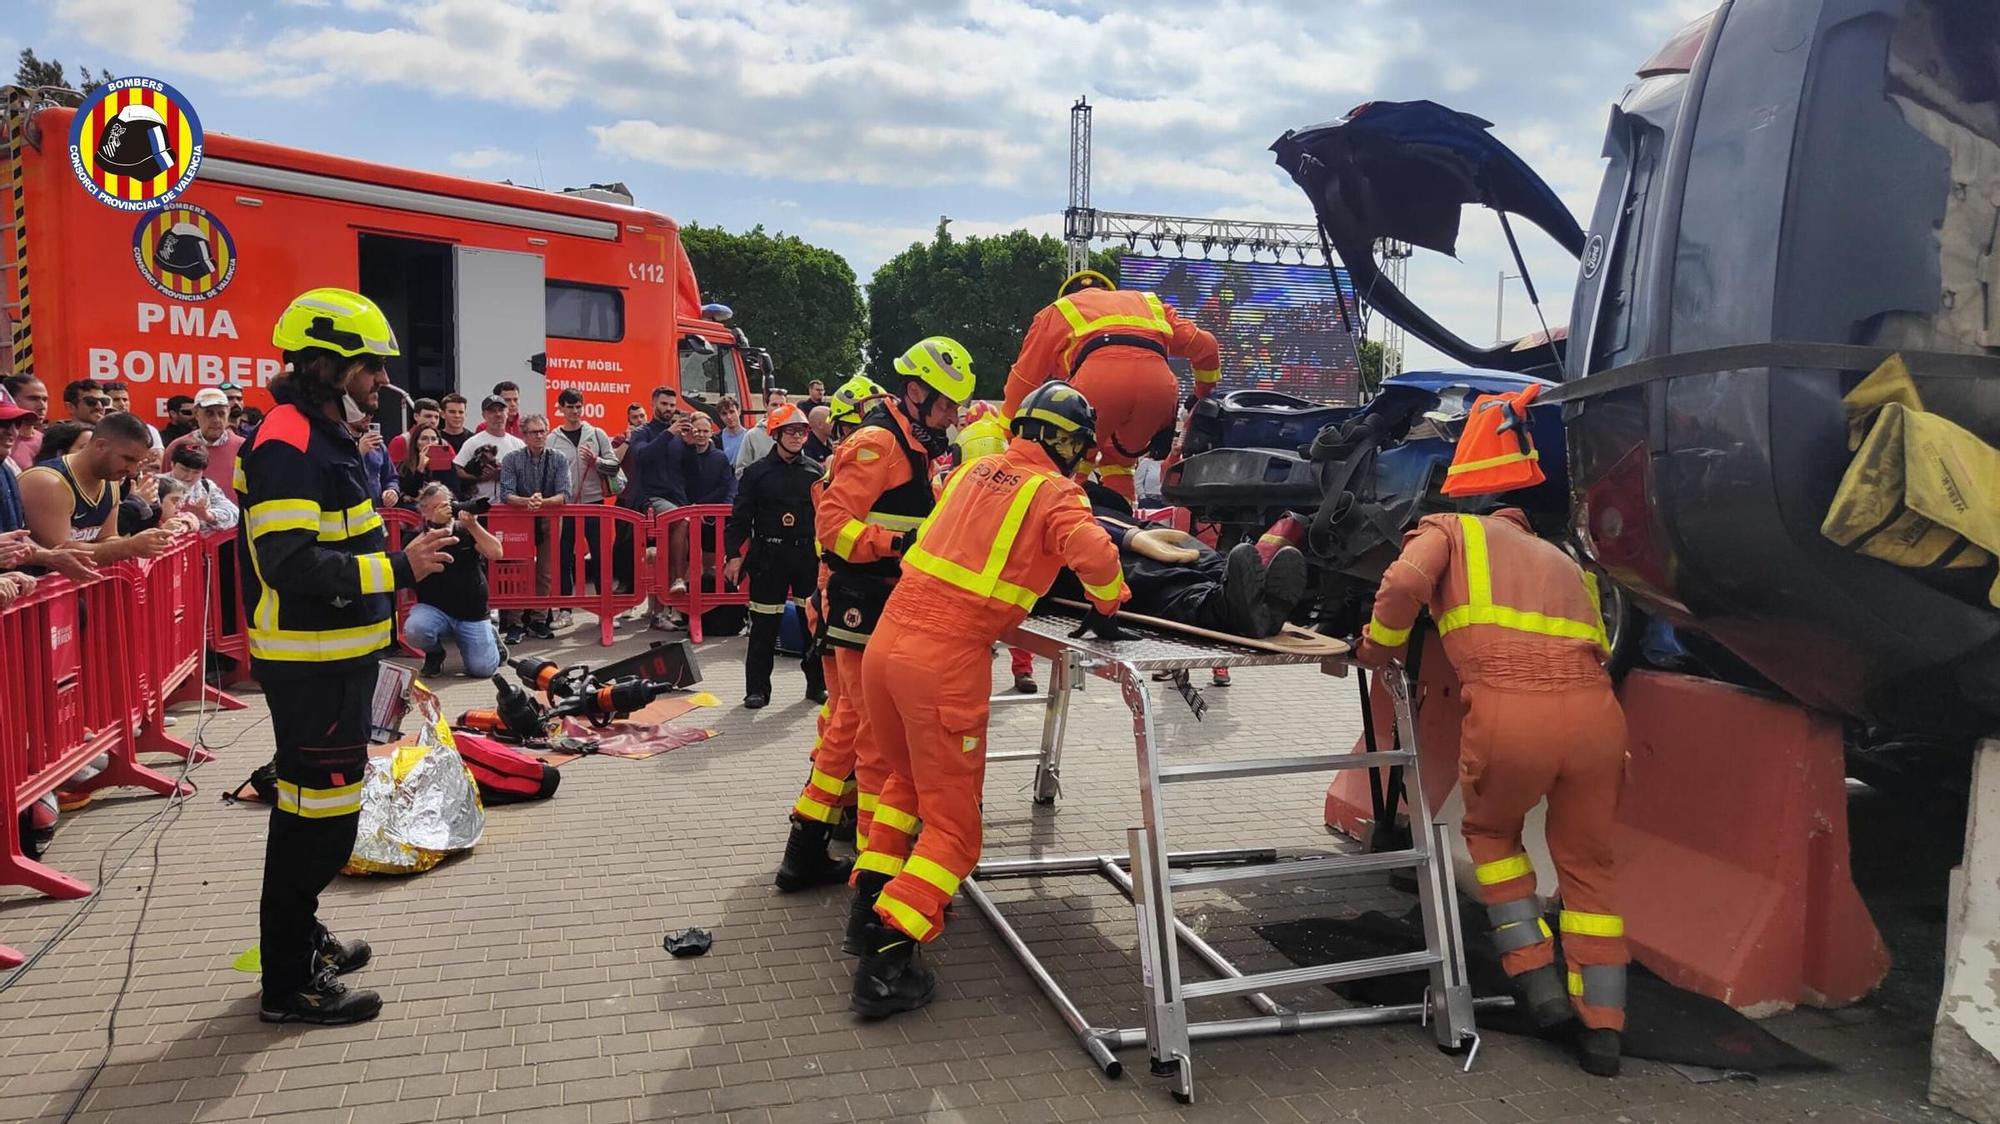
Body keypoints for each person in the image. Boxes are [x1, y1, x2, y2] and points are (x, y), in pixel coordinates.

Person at [850, 382, 1127, 1016]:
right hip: (944, 661)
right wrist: (1109, 601)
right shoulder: (1054, 490)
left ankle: (868, 908)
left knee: (906, 784)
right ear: (1065, 442)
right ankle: (888, 961)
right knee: (955, 828)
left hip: (887, 645)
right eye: (1080, 448)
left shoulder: (974, 470)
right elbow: (1094, 554)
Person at [240, 287, 455, 1026]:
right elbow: (290, 562)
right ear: (327, 364)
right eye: (369, 365)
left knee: (313, 810)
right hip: (312, 661)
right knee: (317, 822)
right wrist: (400, 569)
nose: (379, 379)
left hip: (337, 658)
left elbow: (339, 540)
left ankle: (300, 943)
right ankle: (289, 983)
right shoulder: (289, 440)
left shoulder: (319, 433)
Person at [1357, 503, 1628, 1076]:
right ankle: (1603, 1030)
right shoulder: (1562, 557)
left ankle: (1535, 980)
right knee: (1588, 864)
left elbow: (1404, 581)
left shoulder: (1450, 530)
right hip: (1599, 718)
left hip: (1512, 712)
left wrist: (1375, 649)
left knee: (1492, 834)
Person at [781, 340, 971, 902]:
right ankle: (874, 873)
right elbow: (833, 527)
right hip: (862, 597)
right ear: (915, 393)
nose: (953, 419)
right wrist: (902, 543)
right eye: (945, 407)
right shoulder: (878, 442)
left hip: (873, 597)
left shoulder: (909, 443)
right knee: (876, 742)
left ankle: (805, 850)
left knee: (847, 726)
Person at [1003, 269, 1221, 502]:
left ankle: (1067, 519)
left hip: (1097, 383)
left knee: (1072, 456)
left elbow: (1023, 379)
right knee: (1119, 463)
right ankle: (1124, 523)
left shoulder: (1058, 311)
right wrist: (1200, 396)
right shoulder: (1149, 304)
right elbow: (1207, 345)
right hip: (1159, 390)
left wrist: (1009, 433)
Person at [725, 404, 825, 709]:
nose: (798, 437)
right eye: (791, 431)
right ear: (776, 434)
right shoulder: (756, 474)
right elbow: (740, 517)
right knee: (764, 626)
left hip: (806, 556)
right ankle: (757, 690)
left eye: (802, 431)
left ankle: (816, 685)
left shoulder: (815, 472)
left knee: (812, 625)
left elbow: (825, 517)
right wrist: (733, 555)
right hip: (769, 556)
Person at [18, 411, 172, 561]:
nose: (132, 470)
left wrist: (145, 542)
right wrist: (128, 547)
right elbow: (60, 554)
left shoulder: (109, 481)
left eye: (137, 462)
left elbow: (107, 538)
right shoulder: (48, 482)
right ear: (100, 446)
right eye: (128, 459)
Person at [404, 482, 505, 678]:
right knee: (415, 629)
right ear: (424, 512)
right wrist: (433, 526)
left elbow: (496, 553)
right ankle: (434, 654)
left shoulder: (465, 530)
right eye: (436, 507)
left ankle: (491, 639)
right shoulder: (417, 534)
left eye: (447, 504)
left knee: (483, 670)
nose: (445, 510)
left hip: (471, 612)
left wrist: (473, 525)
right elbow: (406, 558)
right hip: (433, 609)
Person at [498, 414, 570, 644]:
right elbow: (506, 493)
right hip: (519, 519)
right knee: (518, 572)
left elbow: (564, 494)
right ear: (524, 435)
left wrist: (542, 503)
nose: (539, 436)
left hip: (549, 517)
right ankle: (515, 623)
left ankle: (539, 620)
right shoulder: (511, 459)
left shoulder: (558, 458)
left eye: (542, 431)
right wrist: (526, 502)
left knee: (546, 571)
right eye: (534, 432)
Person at [550, 388, 619, 604]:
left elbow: (614, 465)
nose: (575, 411)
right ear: (561, 408)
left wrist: (596, 461)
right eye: (569, 407)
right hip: (565, 505)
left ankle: (604, 605)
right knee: (563, 557)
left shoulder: (597, 433)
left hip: (594, 502)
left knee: (601, 556)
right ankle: (565, 608)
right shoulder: (552, 438)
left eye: (578, 406)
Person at [166, 388, 246, 494]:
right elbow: (165, 490)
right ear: (195, 413)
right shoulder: (177, 447)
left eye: (221, 414)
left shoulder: (243, 447)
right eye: (209, 414)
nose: (216, 420)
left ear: (228, 413)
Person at [453, 395, 525, 504]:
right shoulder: (473, 442)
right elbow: (457, 470)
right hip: (479, 505)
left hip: (510, 506)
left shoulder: (518, 444)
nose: (498, 415)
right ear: (484, 415)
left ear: (507, 413)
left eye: (501, 410)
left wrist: (503, 475)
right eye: (492, 411)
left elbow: (527, 474)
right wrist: (480, 478)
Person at [163, 442, 239, 532]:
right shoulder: (156, 484)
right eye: (184, 470)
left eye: (196, 472)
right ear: (172, 464)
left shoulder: (206, 486)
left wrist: (207, 516)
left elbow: (234, 513)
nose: (189, 477)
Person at [394, 422, 457, 501]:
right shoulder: (405, 466)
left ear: (439, 442)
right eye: (424, 438)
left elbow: (454, 492)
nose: (429, 443)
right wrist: (420, 468)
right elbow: (412, 492)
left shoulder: (447, 464)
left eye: (433, 439)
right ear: (416, 443)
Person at [4, 374, 48, 470]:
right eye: (33, 399)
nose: (42, 406)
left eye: (45, 400)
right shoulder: (4, 443)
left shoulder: (48, 441)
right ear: (10, 400)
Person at [385, 397, 441, 464]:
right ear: (416, 416)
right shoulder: (401, 441)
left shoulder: (443, 442)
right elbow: (393, 472)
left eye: (436, 417)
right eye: (428, 416)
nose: (433, 421)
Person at [716, 394, 747, 464]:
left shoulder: (750, 436)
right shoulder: (716, 440)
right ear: (720, 416)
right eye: (724, 414)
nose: (729, 417)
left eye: (732, 412)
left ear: (739, 411)